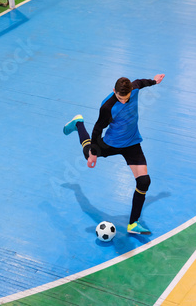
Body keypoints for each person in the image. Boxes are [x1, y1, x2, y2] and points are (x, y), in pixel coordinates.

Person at [63, 74, 165, 235]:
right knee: (87, 153)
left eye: (126, 98)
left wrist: (154, 81)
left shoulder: (134, 88)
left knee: (144, 181)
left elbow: (141, 82)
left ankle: (133, 224)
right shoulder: (107, 106)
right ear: (114, 91)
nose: (123, 101)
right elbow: (97, 130)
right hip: (111, 143)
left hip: (132, 143)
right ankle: (78, 123)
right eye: (120, 98)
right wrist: (94, 153)